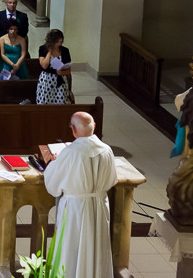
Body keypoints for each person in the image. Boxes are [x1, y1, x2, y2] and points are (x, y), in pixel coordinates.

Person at [43, 112, 117, 278]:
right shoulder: (106, 150)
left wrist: (53, 163)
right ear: (94, 127)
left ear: (74, 130)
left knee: (71, 249)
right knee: (96, 248)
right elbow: (112, 180)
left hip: (75, 209)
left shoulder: (69, 153)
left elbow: (53, 185)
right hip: (98, 206)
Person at [37, 29, 72, 104]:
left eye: (61, 42)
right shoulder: (43, 49)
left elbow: (68, 70)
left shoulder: (65, 50)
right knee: (45, 101)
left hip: (60, 79)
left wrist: (61, 73)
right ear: (51, 41)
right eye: (57, 42)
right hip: (47, 80)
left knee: (61, 101)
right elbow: (44, 66)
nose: (59, 44)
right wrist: (49, 52)